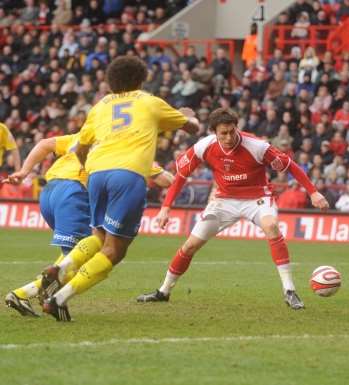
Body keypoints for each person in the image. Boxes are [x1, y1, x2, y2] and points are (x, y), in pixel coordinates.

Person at [39, 55, 199, 321]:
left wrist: (88, 171)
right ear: (141, 79)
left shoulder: (99, 106)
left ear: (111, 82)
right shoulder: (149, 101)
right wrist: (188, 116)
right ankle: (59, 297)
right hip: (128, 175)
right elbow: (192, 129)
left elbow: (79, 147)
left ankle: (63, 266)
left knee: (99, 238)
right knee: (115, 250)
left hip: (97, 174)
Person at [137, 108, 329, 310]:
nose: (229, 137)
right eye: (223, 133)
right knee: (190, 245)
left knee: (271, 226)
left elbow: (290, 165)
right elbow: (181, 176)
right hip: (224, 200)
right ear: (214, 132)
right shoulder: (204, 146)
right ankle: (163, 292)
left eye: (232, 131)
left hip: (257, 197)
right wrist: (165, 208)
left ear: (236, 128)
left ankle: (289, 291)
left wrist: (313, 192)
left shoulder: (257, 146)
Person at [3, 132, 175, 317]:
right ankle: (31, 295)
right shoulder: (124, 145)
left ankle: (41, 295)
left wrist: (24, 171)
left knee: (76, 252)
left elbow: (45, 144)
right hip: (74, 192)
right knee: (83, 256)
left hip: (49, 192)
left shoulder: (85, 134)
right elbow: (167, 181)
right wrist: (158, 167)